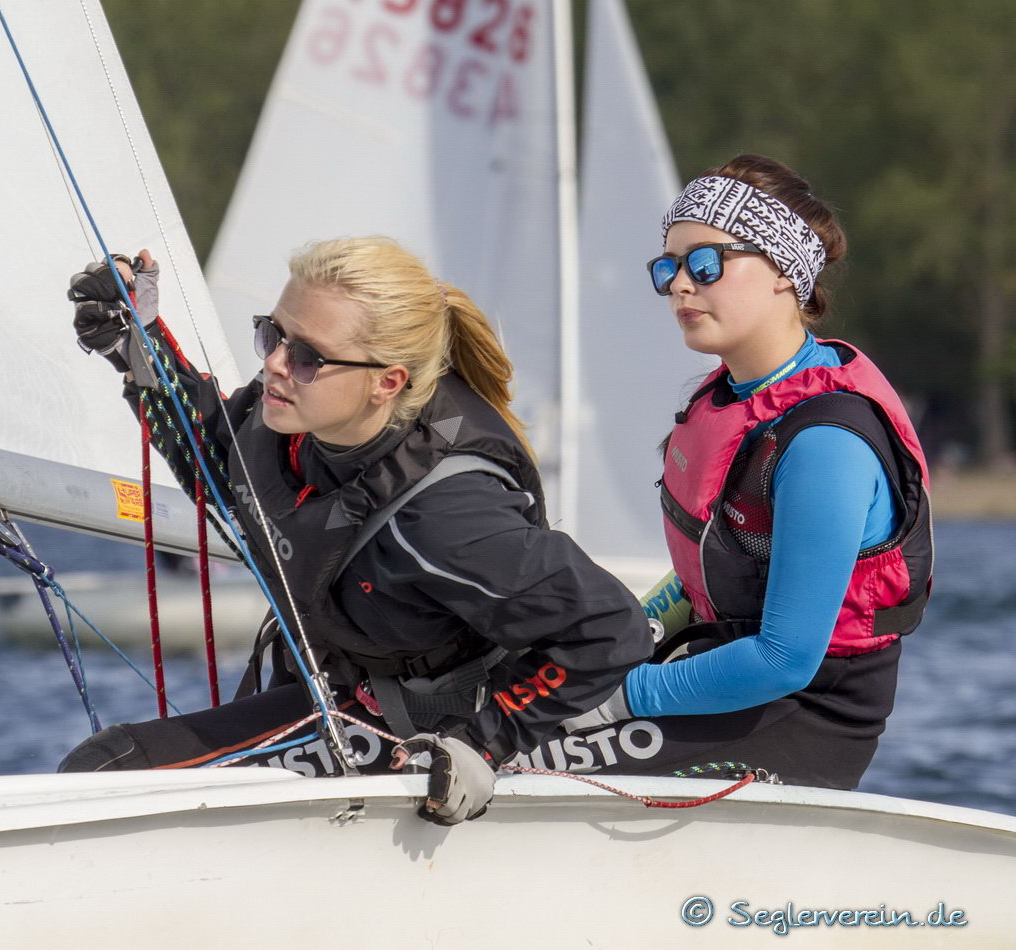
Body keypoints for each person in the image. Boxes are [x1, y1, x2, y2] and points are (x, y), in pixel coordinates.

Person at [60, 237, 653, 824]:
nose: (275, 364)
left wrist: (484, 743)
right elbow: (217, 463)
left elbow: (608, 628)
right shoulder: (293, 425)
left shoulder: (446, 516)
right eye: (273, 335)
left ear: (387, 383)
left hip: (424, 729)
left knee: (104, 774)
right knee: (103, 769)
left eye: (307, 358)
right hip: (337, 688)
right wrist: (134, 342)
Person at [557, 155, 933, 789]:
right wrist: (612, 648)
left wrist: (613, 699)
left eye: (706, 263)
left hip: (801, 715)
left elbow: (784, 659)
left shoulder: (823, 443)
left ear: (784, 271)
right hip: (721, 677)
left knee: (520, 753)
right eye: (668, 267)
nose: (680, 285)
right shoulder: (731, 398)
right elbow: (704, 576)